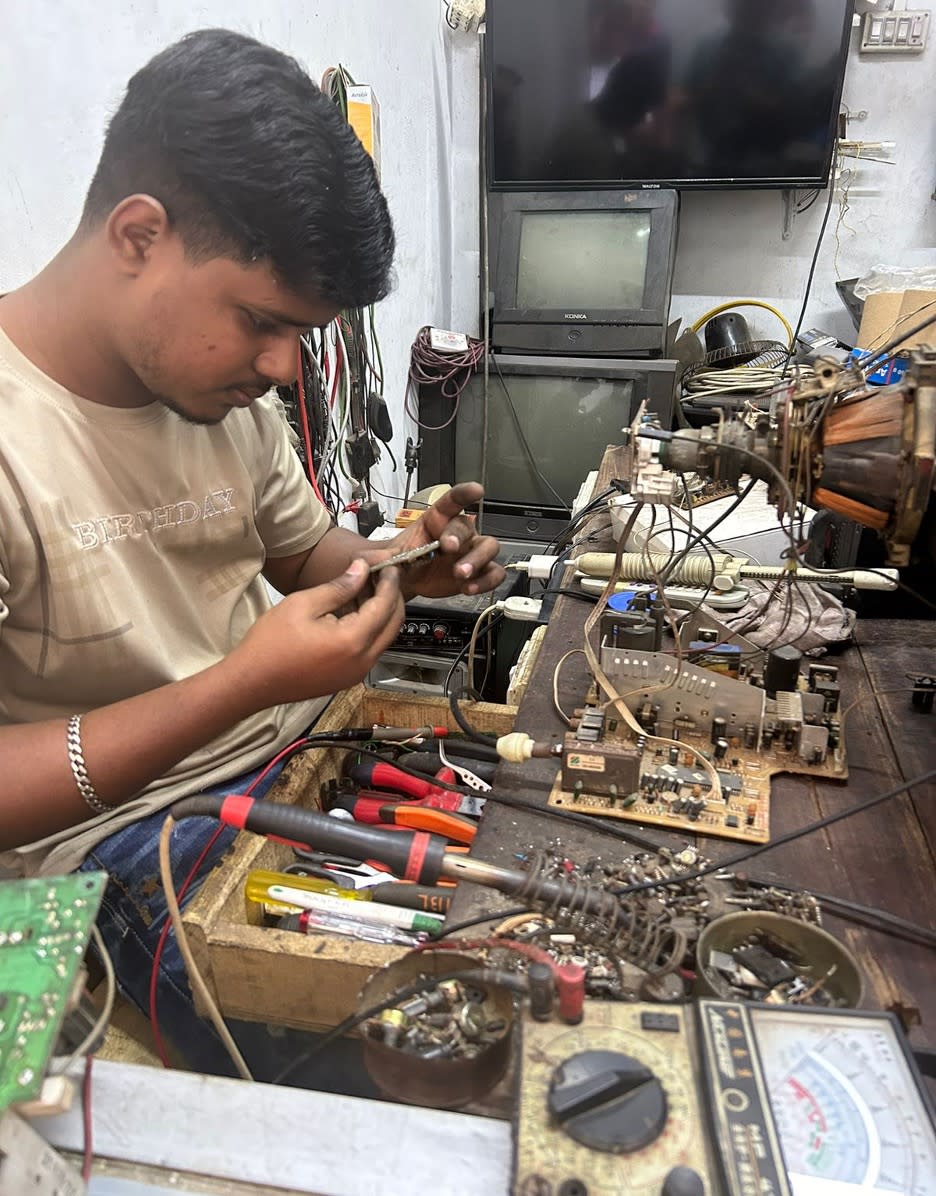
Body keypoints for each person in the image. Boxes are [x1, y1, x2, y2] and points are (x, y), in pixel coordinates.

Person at [0, 28, 503, 1076]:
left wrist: (405, 561)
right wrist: (241, 683)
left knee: (525, 908)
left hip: (297, 752)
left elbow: (310, 553)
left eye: (303, 336)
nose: (281, 369)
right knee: (418, 1054)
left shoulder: (222, 398)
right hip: (121, 840)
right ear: (138, 235)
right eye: (261, 323)